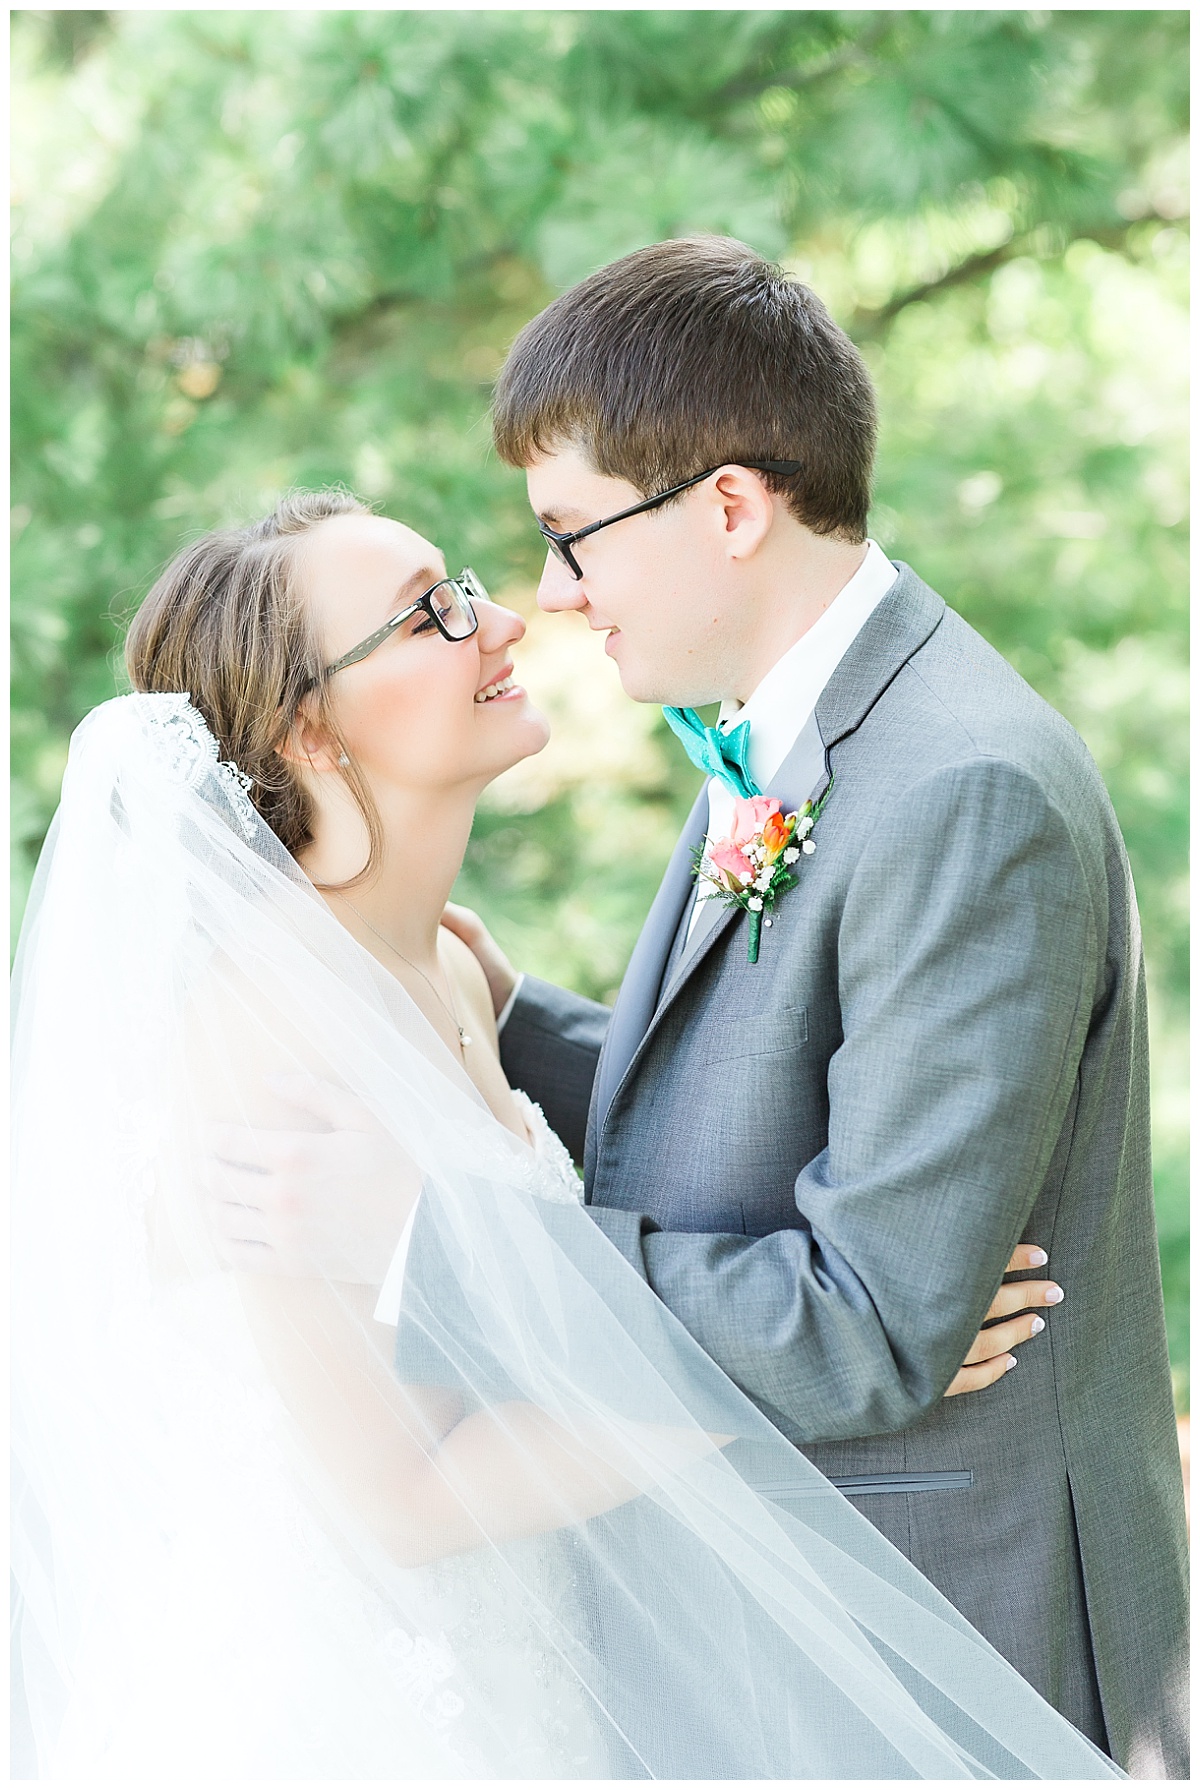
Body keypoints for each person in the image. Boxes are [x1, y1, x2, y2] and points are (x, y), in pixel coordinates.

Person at [11, 491, 1122, 1780]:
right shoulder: (266, 1023)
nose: (499, 619)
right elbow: (405, 1494)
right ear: (311, 726)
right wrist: (813, 1366)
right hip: (358, 1708)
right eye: (427, 615)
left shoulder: (446, 968)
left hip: (535, 1661)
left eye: (460, 586)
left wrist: (876, 1284)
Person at [437, 238, 1183, 1778]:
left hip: (955, 1630)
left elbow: (870, 1325)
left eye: (573, 534)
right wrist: (515, 1025)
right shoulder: (805, 724)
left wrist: (452, 1250)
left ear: (727, 506)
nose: (553, 593)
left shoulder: (962, 785)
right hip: (821, 1622)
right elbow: (765, 1091)